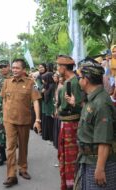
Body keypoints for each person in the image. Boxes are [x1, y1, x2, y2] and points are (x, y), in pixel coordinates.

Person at [74, 58, 116, 189]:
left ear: (85, 80)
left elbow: (104, 140)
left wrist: (100, 168)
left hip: (99, 162)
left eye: (79, 77)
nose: (78, 80)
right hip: (88, 160)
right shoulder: (92, 99)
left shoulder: (101, 103)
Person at [1, 59, 41, 187]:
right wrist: (4, 115)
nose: (14, 70)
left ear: (24, 70)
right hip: (9, 121)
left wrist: (38, 119)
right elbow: (3, 100)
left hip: (24, 120)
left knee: (23, 146)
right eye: (13, 67)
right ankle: (11, 175)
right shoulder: (7, 82)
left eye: (17, 68)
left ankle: (23, 168)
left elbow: (35, 101)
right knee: (10, 147)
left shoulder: (30, 83)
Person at [56, 55, 82, 190]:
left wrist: (59, 108)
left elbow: (72, 105)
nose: (57, 69)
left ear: (63, 68)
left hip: (71, 125)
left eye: (58, 66)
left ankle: (72, 184)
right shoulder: (70, 81)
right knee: (67, 156)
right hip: (68, 123)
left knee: (70, 158)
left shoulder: (72, 83)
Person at [0, 59, 11, 166]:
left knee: (14, 133)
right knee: (0, 132)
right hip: (1, 110)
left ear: (9, 66)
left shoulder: (14, 77)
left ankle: (14, 155)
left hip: (14, 109)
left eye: (5, 66)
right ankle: (2, 155)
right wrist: (1, 104)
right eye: (1, 67)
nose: (3, 68)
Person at [41, 72, 55, 141]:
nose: (43, 81)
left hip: (50, 108)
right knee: (49, 123)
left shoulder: (52, 86)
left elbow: (48, 98)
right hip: (48, 108)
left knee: (51, 124)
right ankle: (50, 137)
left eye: (44, 79)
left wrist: (44, 92)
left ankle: (51, 138)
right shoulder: (48, 85)